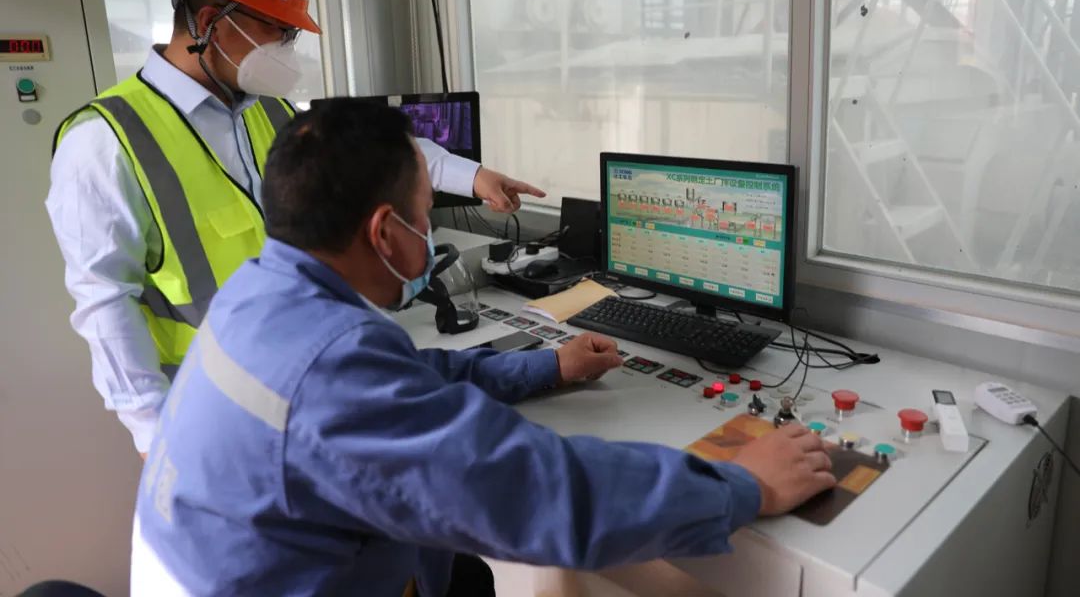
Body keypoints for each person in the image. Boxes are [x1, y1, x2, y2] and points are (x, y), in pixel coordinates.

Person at [130, 99, 837, 596]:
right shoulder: (331, 364)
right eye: (423, 214)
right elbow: (537, 492)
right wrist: (744, 484)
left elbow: (406, 376)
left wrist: (546, 365)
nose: (428, 232)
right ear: (385, 233)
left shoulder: (257, 294)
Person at [45, 0, 543, 457]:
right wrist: (154, 432)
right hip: (209, 415)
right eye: (277, 30)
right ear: (210, 22)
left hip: (303, 385)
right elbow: (104, 302)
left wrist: (473, 176)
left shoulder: (269, 111)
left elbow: (370, 152)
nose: (287, 46)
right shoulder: (104, 141)